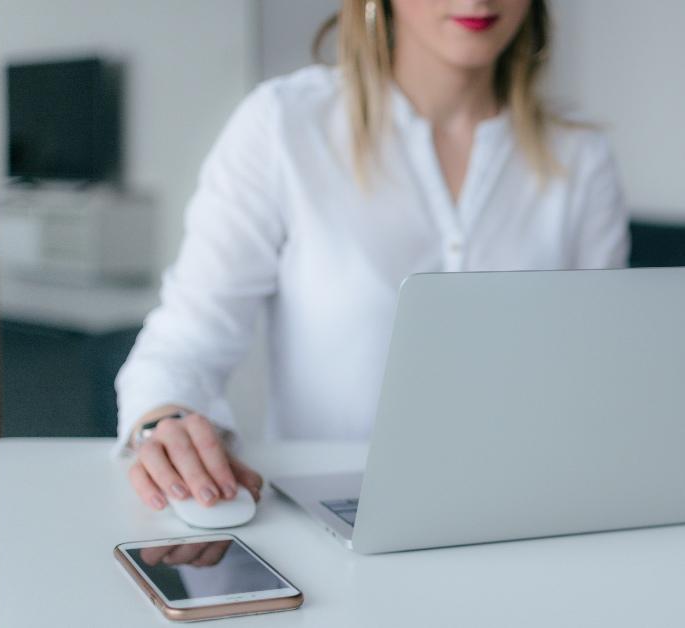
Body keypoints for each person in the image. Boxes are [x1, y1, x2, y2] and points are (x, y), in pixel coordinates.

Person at [114, 0, 629, 512]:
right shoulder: (284, 125)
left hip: (527, 509)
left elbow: (600, 371)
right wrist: (164, 422)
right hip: (332, 513)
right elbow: (185, 342)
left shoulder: (580, 155)